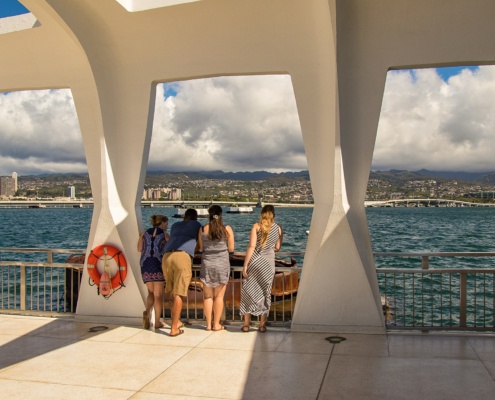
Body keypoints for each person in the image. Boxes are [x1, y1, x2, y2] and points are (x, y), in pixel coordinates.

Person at [240, 204, 283, 332]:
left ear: (262, 214)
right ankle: (262, 325)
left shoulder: (256, 227)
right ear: (273, 215)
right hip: (268, 264)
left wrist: (246, 265)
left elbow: (251, 247)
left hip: (255, 262)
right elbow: (278, 247)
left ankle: (246, 325)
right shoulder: (278, 228)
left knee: (249, 290)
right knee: (266, 292)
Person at [162, 208, 202, 337]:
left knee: (171, 291)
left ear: (185, 217)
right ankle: (174, 328)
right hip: (182, 256)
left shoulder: (175, 225)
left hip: (167, 255)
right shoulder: (197, 225)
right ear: (195, 217)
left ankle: (176, 321)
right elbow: (200, 244)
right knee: (179, 292)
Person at [198, 205, 235, 331]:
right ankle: (216, 324)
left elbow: (201, 248)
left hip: (207, 265)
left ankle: (208, 324)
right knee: (218, 297)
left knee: (208, 296)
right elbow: (231, 249)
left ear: (209, 215)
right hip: (222, 265)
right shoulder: (227, 229)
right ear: (221, 215)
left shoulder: (203, 229)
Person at [137, 214, 169, 329]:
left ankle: (147, 312)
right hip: (157, 265)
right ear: (162, 223)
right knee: (158, 295)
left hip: (145, 264)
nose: (167, 225)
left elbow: (139, 249)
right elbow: (168, 249)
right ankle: (157, 322)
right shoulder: (164, 235)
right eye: (166, 223)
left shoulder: (144, 233)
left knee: (151, 292)